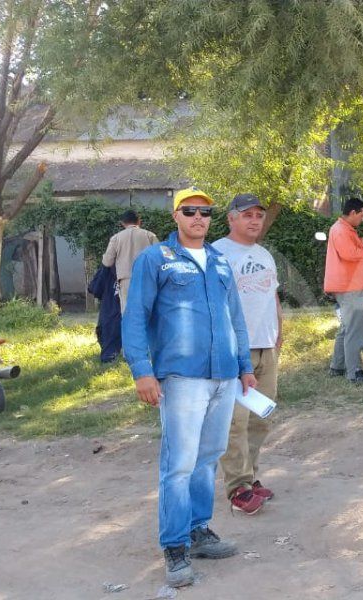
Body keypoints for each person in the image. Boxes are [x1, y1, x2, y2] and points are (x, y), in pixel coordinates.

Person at [122, 187, 256, 588]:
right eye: (190, 211)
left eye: (205, 212)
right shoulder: (155, 259)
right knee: (179, 463)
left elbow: (235, 317)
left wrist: (244, 366)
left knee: (208, 456)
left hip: (222, 375)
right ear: (176, 216)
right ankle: (175, 545)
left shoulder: (218, 261)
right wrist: (142, 371)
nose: (198, 218)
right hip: (181, 378)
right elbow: (135, 316)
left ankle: (198, 531)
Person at [213, 194, 282, 516]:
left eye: (259, 215)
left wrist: (278, 332)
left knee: (260, 419)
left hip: (266, 347)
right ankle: (237, 486)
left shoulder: (265, 254)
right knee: (234, 423)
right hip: (234, 351)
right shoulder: (216, 253)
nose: (255, 220)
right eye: (247, 215)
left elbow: (272, 296)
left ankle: (250, 476)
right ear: (231, 219)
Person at [324, 196, 363, 384]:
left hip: (349, 286)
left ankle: (337, 367)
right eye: (362, 216)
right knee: (355, 331)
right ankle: (354, 373)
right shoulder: (340, 230)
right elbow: (350, 254)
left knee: (347, 328)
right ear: (353, 212)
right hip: (349, 287)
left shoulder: (345, 229)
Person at [102, 209, 159, 312]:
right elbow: (160, 259)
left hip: (126, 280)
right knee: (148, 312)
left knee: (128, 313)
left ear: (122, 223)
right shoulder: (150, 235)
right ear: (139, 221)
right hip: (147, 279)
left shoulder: (116, 238)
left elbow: (107, 262)